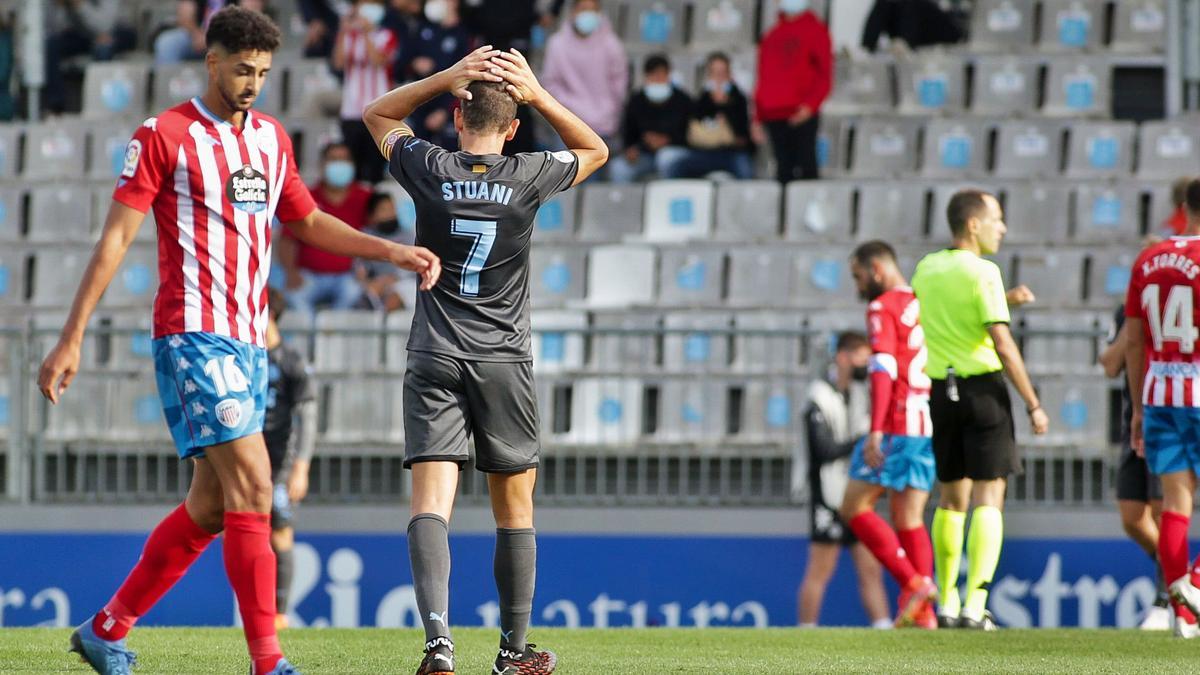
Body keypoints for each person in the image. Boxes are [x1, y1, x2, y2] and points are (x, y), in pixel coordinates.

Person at [37, 8, 439, 675]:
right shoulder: (164, 134)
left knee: (213, 505)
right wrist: (71, 336)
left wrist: (390, 250)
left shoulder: (270, 139)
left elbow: (306, 220)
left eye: (262, 73)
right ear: (212, 60)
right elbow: (116, 238)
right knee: (255, 484)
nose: (252, 83)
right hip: (194, 335)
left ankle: (107, 629)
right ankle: (268, 661)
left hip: (251, 343)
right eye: (242, 69)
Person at [362, 44, 608, 673]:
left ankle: (439, 643)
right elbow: (595, 150)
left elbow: (377, 116)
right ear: (515, 125)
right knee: (515, 509)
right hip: (502, 357)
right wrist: (540, 92)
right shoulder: (526, 175)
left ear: (456, 113)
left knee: (429, 504)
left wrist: (447, 74)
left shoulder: (431, 167)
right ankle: (512, 653)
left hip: (435, 352)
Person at [911, 189, 1049, 630]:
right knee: (990, 495)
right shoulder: (983, 271)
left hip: (941, 393)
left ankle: (946, 602)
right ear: (973, 224)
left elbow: (950, 317)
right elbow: (1002, 345)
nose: (1002, 228)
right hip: (984, 394)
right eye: (997, 219)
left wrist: (1005, 300)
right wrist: (1033, 403)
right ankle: (976, 605)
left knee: (951, 499)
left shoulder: (926, 268)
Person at [840, 241, 937, 629]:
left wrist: (876, 429)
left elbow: (883, 370)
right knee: (909, 517)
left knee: (853, 507)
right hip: (925, 421)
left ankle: (913, 582)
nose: (858, 286)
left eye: (858, 276)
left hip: (896, 422)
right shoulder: (921, 303)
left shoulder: (882, 308)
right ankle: (925, 614)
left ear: (877, 269)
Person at [1125, 178, 1200, 639]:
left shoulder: (1148, 259)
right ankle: (1193, 584)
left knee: (1175, 503)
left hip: (1159, 394)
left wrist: (1136, 407)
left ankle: (1182, 616)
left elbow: (1134, 340)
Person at [798, 331, 892, 629]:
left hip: (856, 494)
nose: (865, 364)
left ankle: (882, 626)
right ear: (842, 357)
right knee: (821, 569)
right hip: (827, 495)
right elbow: (822, 450)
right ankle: (806, 631)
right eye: (859, 356)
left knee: (869, 566)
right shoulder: (818, 397)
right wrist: (860, 442)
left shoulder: (861, 394)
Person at [1100, 297, 1172, 631]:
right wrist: (1132, 327)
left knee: (1163, 510)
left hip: (1167, 418)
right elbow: (1110, 365)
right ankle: (1176, 573)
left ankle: (1165, 598)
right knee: (1132, 517)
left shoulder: (1183, 303)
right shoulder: (1125, 311)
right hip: (1134, 423)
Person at [262, 288, 317, 630]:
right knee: (240, 532)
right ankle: (255, 609)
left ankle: (279, 614)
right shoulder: (244, 358)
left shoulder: (291, 361)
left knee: (280, 532)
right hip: (241, 461)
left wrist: (302, 467)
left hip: (279, 465)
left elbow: (307, 416)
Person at [278, 142, 375, 317]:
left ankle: (330, 344)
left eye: (344, 160)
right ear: (322, 165)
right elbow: (287, 240)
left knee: (355, 295)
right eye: (334, 159)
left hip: (349, 276)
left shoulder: (365, 197)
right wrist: (291, 272)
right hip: (309, 276)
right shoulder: (305, 195)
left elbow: (380, 233)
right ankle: (308, 345)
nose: (340, 164)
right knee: (295, 297)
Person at [539, 0, 627, 168]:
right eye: (583, 9)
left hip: (606, 125)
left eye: (593, 10)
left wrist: (608, 113)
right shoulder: (557, 44)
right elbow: (550, 84)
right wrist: (573, 111)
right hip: (568, 122)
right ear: (573, 13)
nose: (588, 14)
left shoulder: (612, 45)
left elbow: (619, 86)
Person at [752, 0, 832, 183]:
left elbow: (825, 75)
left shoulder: (816, 30)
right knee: (783, 171)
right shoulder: (771, 35)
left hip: (800, 112)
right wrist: (757, 117)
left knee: (806, 169)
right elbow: (763, 77)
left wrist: (810, 106)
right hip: (773, 113)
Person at [333, 0, 399, 184]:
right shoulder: (349, 36)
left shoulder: (387, 35)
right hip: (351, 110)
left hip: (378, 109)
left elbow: (378, 60)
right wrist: (342, 30)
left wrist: (367, 32)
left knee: (375, 164)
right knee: (354, 163)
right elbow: (338, 63)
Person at [609, 54, 691, 183]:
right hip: (644, 155)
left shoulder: (683, 100)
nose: (658, 79)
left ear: (669, 75)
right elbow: (628, 133)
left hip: (674, 152)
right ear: (646, 77)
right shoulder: (636, 101)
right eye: (653, 75)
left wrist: (667, 141)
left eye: (661, 75)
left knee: (666, 158)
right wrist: (630, 149)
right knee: (618, 168)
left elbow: (690, 135)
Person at [404, 0, 474, 151]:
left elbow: (468, 78)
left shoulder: (464, 35)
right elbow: (401, 63)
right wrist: (414, 63)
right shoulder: (423, 29)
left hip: (450, 109)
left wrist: (445, 111)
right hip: (420, 106)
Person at [45, 0, 137, 114]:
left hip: (117, 30)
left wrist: (80, 5)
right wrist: (59, 7)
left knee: (103, 47)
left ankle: (101, 106)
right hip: (83, 33)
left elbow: (105, 26)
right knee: (50, 45)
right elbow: (54, 30)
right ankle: (56, 106)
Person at [675, 52, 754, 180]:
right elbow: (691, 127)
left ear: (729, 74)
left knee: (745, 171)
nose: (719, 77)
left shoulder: (739, 98)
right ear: (709, 75)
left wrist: (725, 105)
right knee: (676, 166)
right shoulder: (702, 98)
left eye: (723, 73)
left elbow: (743, 135)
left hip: (730, 153)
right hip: (703, 152)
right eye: (715, 73)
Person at [356, 190, 418, 312]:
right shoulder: (366, 236)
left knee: (397, 295)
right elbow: (360, 269)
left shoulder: (408, 235)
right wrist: (370, 282)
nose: (390, 214)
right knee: (357, 292)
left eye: (392, 208)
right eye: (384, 210)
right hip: (374, 285)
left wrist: (390, 279)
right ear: (372, 215)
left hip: (403, 282)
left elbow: (413, 269)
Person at [861, 0, 965, 52]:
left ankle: (864, 51)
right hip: (922, 45)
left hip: (949, 45)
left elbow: (905, 44)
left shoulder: (910, 5)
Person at [154, 0, 223, 65]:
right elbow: (185, 8)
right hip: (198, 36)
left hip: (226, 39)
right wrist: (196, 34)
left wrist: (213, 39)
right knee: (167, 43)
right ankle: (169, 76)